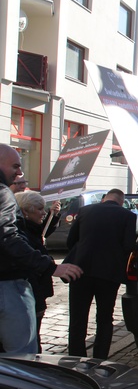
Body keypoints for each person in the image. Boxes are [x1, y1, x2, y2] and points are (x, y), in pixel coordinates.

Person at [0, 144, 82, 355]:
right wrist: (50, 267)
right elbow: (7, 238)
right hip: (9, 285)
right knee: (22, 357)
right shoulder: (3, 194)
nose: (19, 172)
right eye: (16, 166)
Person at [67, 188, 137, 359]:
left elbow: (71, 241)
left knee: (77, 317)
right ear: (121, 201)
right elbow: (129, 246)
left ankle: (75, 357)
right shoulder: (128, 216)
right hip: (109, 274)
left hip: (80, 271)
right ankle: (100, 358)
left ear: (105, 198)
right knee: (105, 317)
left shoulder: (85, 211)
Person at [15, 191, 61, 352]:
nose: (43, 212)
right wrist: (51, 266)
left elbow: (43, 230)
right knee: (29, 341)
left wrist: (52, 214)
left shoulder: (31, 228)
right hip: (30, 295)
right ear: (26, 211)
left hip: (36, 294)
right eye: (40, 209)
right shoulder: (19, 233)